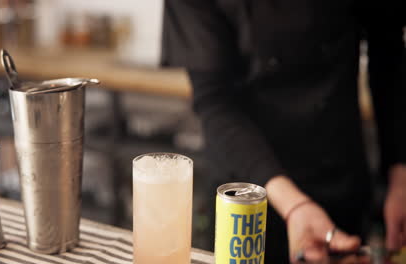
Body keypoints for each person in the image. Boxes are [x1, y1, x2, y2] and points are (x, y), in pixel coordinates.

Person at [161, 0, 405, 263]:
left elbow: (388, 53)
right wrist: (295, 206)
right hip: (244, 196)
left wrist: (400, 173)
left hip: (337, 177)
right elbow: (214, 102)